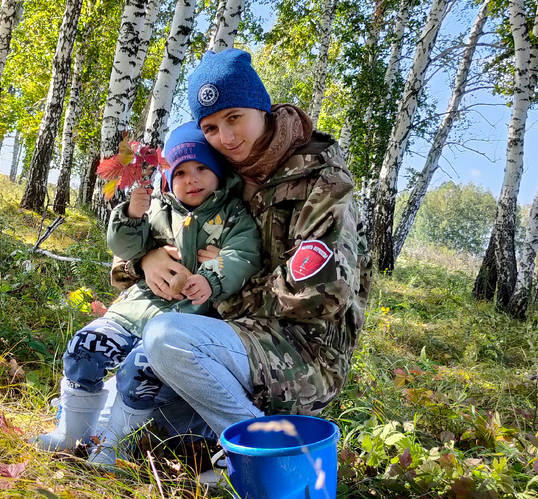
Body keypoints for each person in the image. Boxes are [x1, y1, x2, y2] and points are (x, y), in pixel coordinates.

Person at [107, 48, 372, 472]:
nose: (226, 137)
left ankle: (265, 459)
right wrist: (147, 260)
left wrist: (219, 284)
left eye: (235, 117)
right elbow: (152, 243)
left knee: (164, 338)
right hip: (221, 336)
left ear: (262, 108)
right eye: (211, 127)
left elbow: (319, 295)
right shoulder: (218, 173)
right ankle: (218, 434)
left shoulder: (321, 179)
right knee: (128, 402)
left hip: (300, 352)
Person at [32, 122, 261, 458]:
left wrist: (211, 277)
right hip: (133, 311)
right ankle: (70, 433)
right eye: (180, 172)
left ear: (219, 173)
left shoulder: (232, 216)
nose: (191, 179)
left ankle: (113, 445)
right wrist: (130, 214)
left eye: (202, 168)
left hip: (181, 321)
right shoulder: (158, 209)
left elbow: (242, 254)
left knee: (139, 373)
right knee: (85, 348)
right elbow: (125, 245)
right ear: (169, 179)